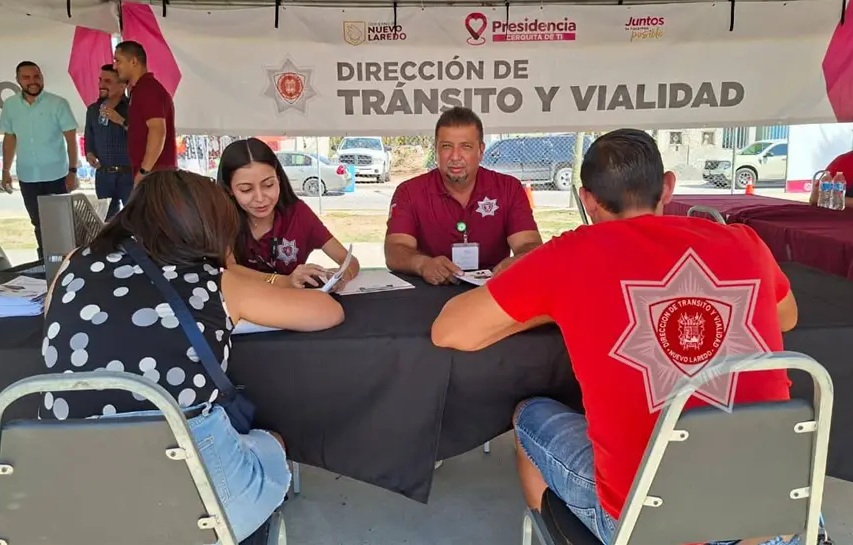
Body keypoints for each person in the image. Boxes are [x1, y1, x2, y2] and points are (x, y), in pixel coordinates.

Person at [432, 129, 823, 545]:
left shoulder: (571, 256)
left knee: (529, 415)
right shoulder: (743, 241)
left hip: (648, 524)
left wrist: (550, 304)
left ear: (587, 199)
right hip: (779, 519)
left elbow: (449, 331)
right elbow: (786, 316)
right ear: (668, 186)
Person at [41, 169, 344, 542]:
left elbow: (50, 315)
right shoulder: (211, 282)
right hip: (189, 486)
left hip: (72, 482)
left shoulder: (75, 261)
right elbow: (327, 312)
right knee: (272, 442)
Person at [385, 107, 542, 284]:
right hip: (430, 287)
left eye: (466, 147)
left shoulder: (508, 188)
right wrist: (422, 264)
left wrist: (517, 260)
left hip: (492, 290)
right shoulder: (409, 192)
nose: (455, 156)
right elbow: (395, 250)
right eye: (446, 147)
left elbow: (529, 245)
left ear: (481, 151)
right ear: (435, 150)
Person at [218, 138, 359, 290]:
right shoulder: (222, 218)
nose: (260, 198)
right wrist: (284, 281)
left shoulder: (298, 214)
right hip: (241, 308)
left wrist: (339, 276)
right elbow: (231, 269)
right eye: (246, 189)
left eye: (268, 185)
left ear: (278, 179)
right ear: (229, 190)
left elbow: (349, 261)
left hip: (294, 307)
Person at [0, 61, 80, 259]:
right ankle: (46, 263)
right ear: (18, 80)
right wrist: (5, 170)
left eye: (37, 76)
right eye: (26, 77)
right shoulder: (10, 105)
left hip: (57, 175)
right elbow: (10, 138)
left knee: (62, 224)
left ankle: (68, 263)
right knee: (38, 223)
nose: (33, 81)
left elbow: (71, 138)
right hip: (28, 176)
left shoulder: (58, 103)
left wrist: (73, 171)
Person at [112, 41, 176, 184]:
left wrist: (144, 171)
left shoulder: (147, 89)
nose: (115, 66)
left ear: (133, 61)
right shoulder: (140, 89)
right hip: (153, 175)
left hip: (156, 177)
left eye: (118, 61)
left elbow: (158, 131)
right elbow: (143, 130)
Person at [84, 64, 132, 220]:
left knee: (135, 219)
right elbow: (89, 137)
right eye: (100, 80)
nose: (101, 85)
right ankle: (112, 245)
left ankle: (135, 245)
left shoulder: (133, 108)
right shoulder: (93, 109)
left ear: (123, 85)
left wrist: (121, 121)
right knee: (107, 221)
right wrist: (89, 153)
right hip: (104, 175)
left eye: (108, 81)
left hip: (129, 174)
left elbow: (142, 137)